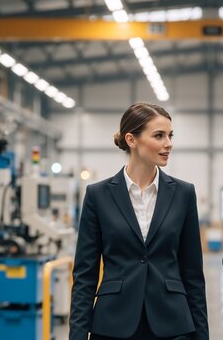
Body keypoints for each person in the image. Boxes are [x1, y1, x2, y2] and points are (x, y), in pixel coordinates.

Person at [70, 103, 209, 340]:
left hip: (172, 324)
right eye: (159, 135)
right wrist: (77, 336)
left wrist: (202, 336)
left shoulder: (184, 194)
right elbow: (85, 275)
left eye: (170, 135)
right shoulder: (98, 195)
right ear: (131, 140)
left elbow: (193, 274)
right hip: (113, 324)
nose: (168, 143)